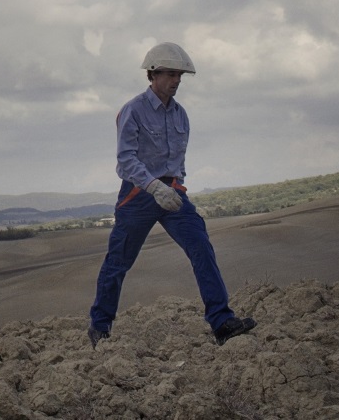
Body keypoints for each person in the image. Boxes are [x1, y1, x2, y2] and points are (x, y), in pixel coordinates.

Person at [87, 42, 257, 349]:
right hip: (139, 194)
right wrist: (153, 187)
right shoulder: (132, 110)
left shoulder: (181, 115)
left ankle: (221, 322)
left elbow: (177, 160)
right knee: (118, 261)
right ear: (153, 75)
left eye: (179, 75)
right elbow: (125, 160)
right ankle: (100, 327)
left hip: (173, 193)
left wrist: (173, 186)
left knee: (200, 246)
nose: (176, 80)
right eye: (170, 74)